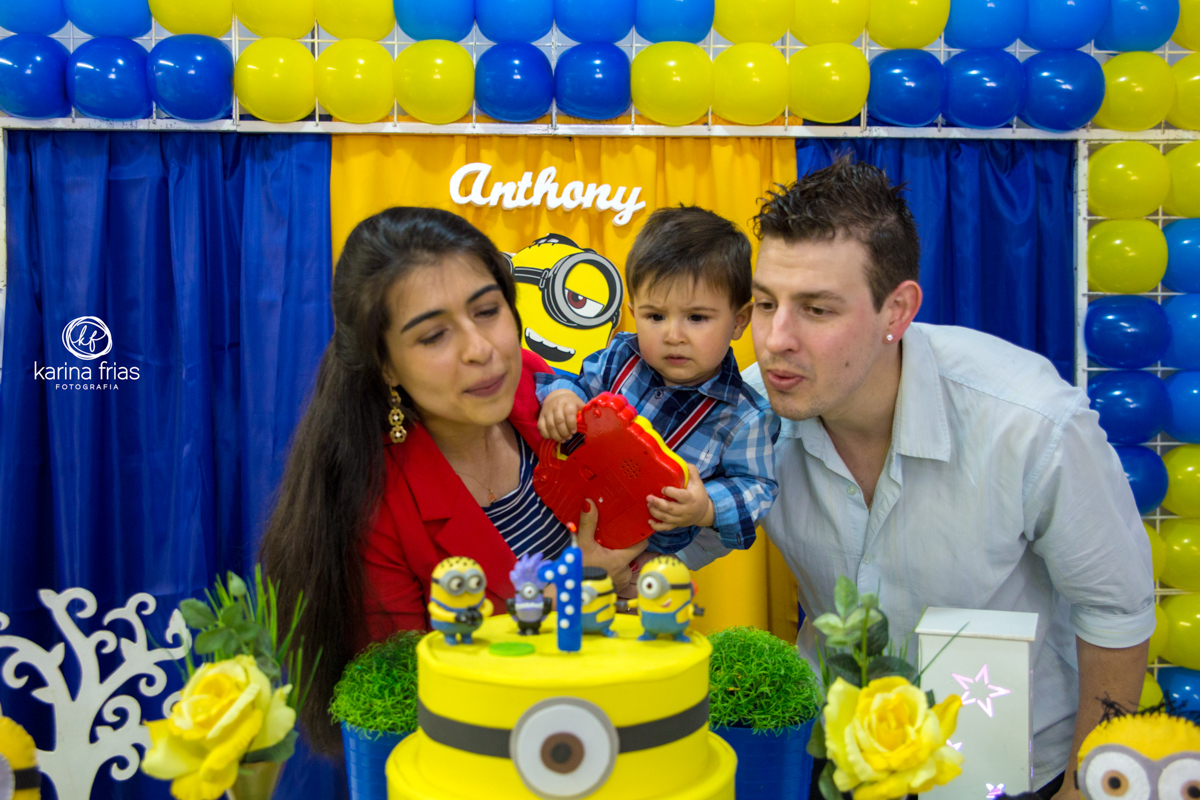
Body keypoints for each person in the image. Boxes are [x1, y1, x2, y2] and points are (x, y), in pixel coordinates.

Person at [736, 158, 1152, 798]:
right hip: (838, 766)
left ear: (896, 311)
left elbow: (1116, 613)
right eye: (765, 303)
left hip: (1016, 776)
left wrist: (1088, 786)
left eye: (816, 309)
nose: (774, 339)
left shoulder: (1030, 422)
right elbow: (673, 538)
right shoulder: (745, 416)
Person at [258, 207, 645, 753]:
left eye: (488, 311)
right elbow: (424, 709)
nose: (480, 349)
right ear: (385, 365)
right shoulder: (375, 515)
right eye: (434, 335)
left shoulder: (544, 389)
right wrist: (579, 586)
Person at [536, 206, 779, 565]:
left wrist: (706, 506)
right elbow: (573, 383)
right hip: (563, 518)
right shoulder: (620, 357)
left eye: (696, 317)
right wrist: (561, 396)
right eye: (655, 316)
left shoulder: (745, 416)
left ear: (739, 321)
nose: (673, 335)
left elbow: (757, 489)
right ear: (634, 314)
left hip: (647, 561)